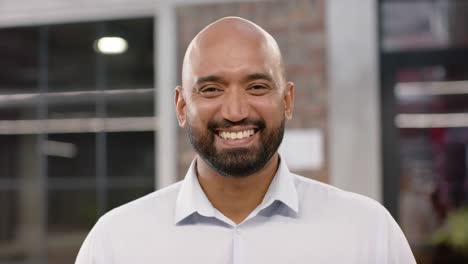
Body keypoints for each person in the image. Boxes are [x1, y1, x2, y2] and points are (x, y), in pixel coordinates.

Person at [75, 16, 416, 264]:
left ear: (288, 100)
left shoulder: (368, 233)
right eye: (211, 89)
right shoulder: (115, 244)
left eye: (257, 87)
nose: (236, 111)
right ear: (181, 106)